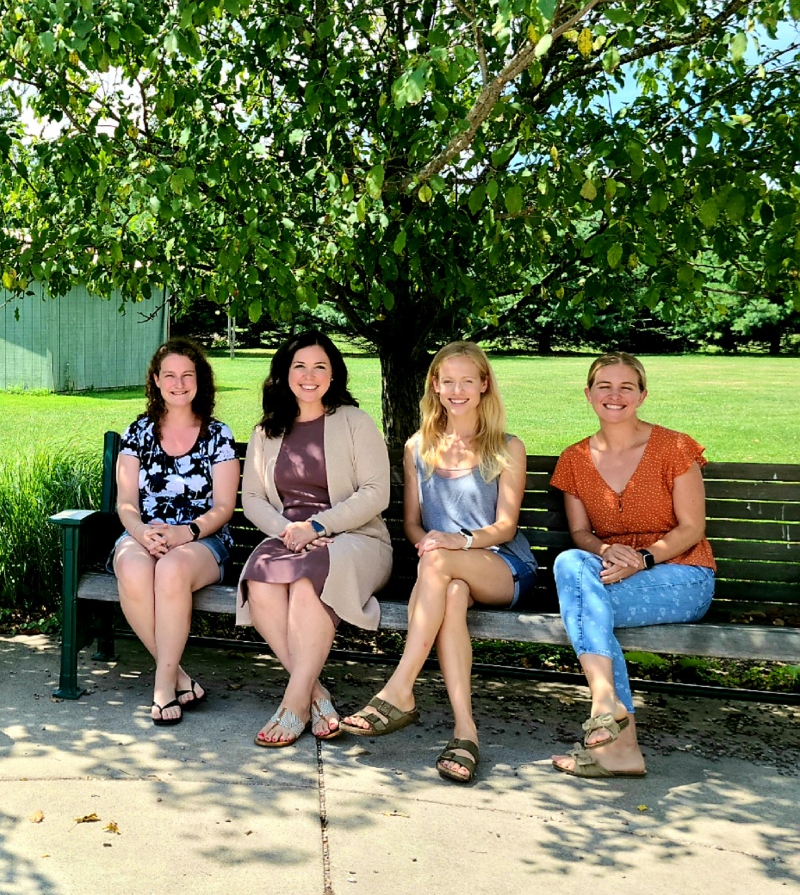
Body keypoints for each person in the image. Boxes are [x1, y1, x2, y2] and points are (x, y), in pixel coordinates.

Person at [340, 342, 536, 784]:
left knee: (441, 567)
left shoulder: (507, 446)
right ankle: (466, 733)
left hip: (503, 567)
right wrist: (432, 545)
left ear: (485, 385)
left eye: (468, 381)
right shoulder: (418, 447)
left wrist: (455, 542)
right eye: (448, 381)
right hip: (446, 572)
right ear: (435, 385)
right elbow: (413, 524)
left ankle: (400, 689)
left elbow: (505, 527)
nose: (458, 390)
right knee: (450, 589)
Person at [548, 352, 714, 779]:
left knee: (588, 610)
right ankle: (607, 707)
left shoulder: (675, 447)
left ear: (642, 395)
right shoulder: (574, 459)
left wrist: (642, 559)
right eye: (604, 386)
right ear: (588, 395)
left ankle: (617, 739)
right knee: (570, 562)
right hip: (609, 574)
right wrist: (606, 551)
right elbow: (581, 534)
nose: (614, 395)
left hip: (682, 576)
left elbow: (693, 527)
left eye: (626, 387)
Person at [240, 331, 392, 747]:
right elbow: (251, 497)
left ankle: (293, 704)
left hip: (357, 537)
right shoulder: (267, 431)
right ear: (284, 374)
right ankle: (317, 694)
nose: (309, 376)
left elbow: (377, 493)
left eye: (320, 366)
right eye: (299, 366)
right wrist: (288, 532)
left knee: (307, 583)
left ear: (333, 374)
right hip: (288, 536)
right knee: (260, 577)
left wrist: (318, 527)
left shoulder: (354, 422)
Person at [112, 338, 239, 724]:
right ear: (156, 380)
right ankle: (179, 676)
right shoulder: (139, 432)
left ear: (200, 380)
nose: (179, 383)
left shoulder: (218, 435)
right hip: (144, 532)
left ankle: (163, 687)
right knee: (133, 568)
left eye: (187, 375)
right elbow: (126, 502)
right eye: (170, 375)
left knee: (170, 570)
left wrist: (187, 532)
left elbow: (223, 508)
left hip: (204, 539)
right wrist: (139, 531)